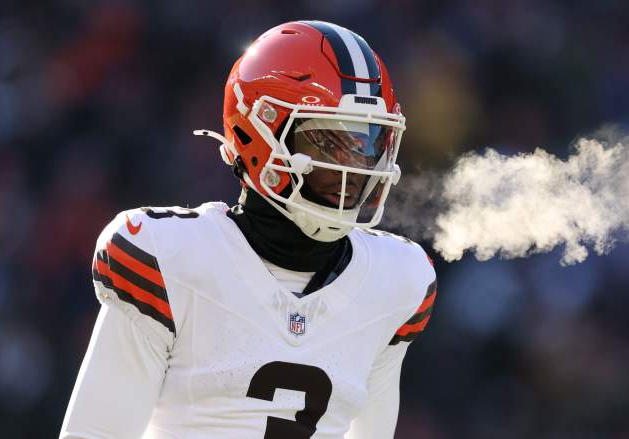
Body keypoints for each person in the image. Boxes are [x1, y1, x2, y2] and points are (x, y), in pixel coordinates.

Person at [60, 20, 437, 439]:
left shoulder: (397, 279)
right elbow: (94, 432)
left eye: (369, 143)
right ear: (260, 132)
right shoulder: (169, 258)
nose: (356, 166)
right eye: (330, 140)